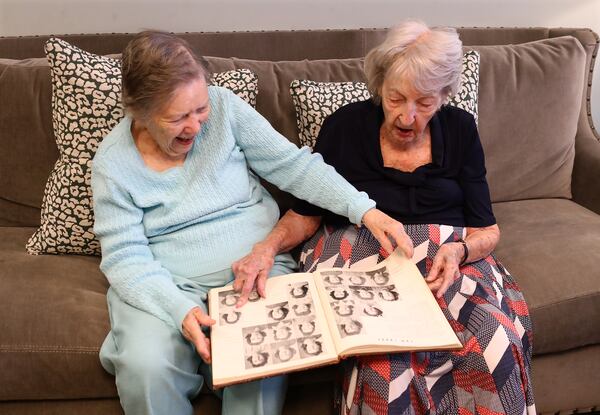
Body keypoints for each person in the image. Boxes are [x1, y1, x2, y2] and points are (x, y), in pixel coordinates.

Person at [91, 31, 412, 415]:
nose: (195, 126)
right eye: (177, 117)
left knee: (260, 361)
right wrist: (177, 309)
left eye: (200, 109)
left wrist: (364, 210)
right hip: (166, 281)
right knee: (145, 366)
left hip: (255, 268)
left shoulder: (226, 110)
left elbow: (295, 168)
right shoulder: (112, 164)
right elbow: (124, 259)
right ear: (139, 112)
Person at [238, 21, 535, 414]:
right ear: (379, 86)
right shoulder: (344, 128)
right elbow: (305, 215)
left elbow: (487, 229)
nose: (407, 117)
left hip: (446, 254)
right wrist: (265, 248)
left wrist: (460, 252)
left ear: (445, 95)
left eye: (424, 102)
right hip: (357, 251)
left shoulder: (461, 129)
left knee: (493, 337)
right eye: (396, 98)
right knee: (386, 358)